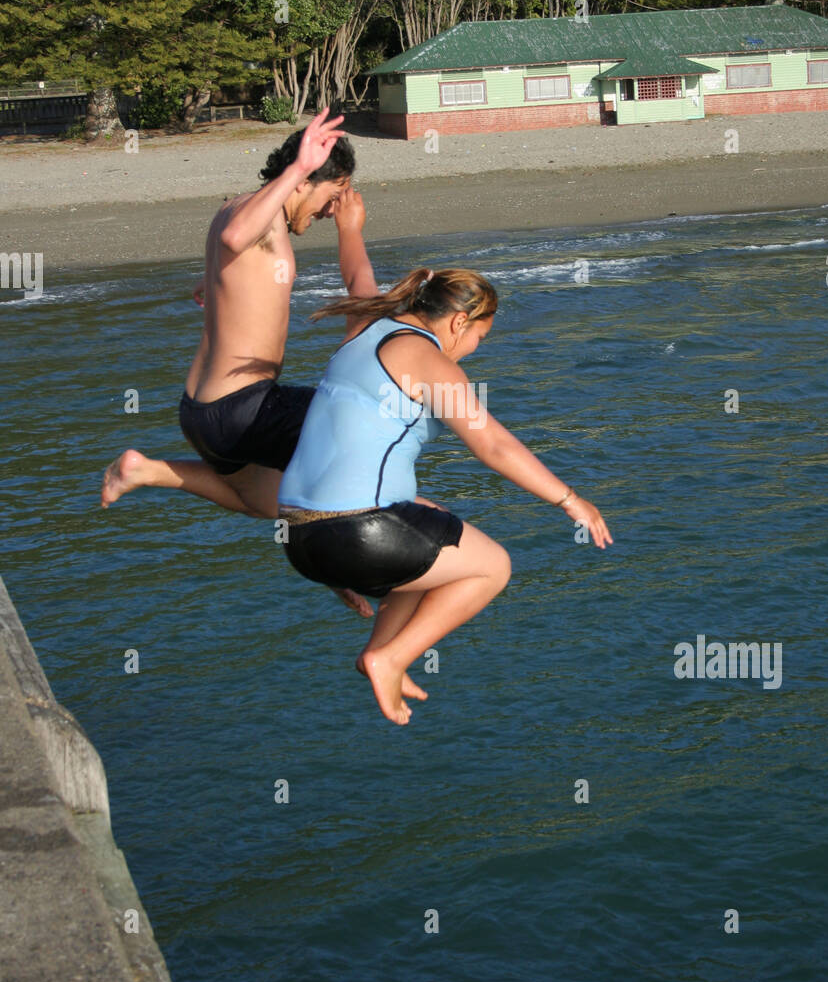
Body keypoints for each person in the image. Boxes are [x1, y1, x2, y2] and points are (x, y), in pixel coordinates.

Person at [277, 267, 613, 726]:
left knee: (432, 521)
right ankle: (390, 659)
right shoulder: (429, 360)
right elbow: (492, 445)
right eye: (480, 336)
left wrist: (348, 224)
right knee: (493, 565)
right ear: (459, 322)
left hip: (299, 539)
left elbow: (358, 275)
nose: (476, 348)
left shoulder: (365, 331)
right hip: (357, 533)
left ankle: (381, 654)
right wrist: (571, 500)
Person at [101, 107, 375, 615]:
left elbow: (224, 260)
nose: (328, 213)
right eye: (332, 198)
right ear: (312, 177)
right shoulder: (263, 219)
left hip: (203, 415)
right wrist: (304, 175)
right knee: (362, 424)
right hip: (242, 408)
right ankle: (345, 556)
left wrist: (217, 289)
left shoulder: (236, 208)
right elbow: (234, 241)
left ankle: (147, 470)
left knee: (268, 504)